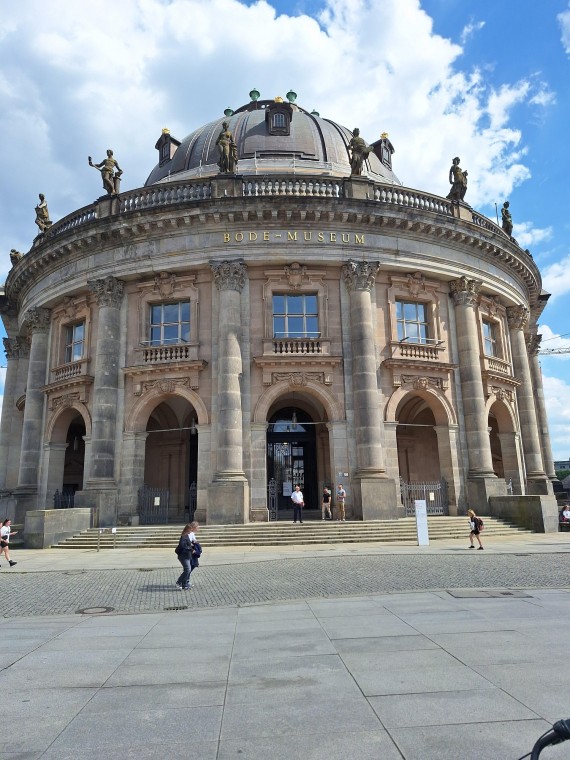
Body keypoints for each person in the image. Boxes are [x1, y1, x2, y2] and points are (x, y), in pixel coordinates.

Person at [174, 521, 198, 589]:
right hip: (183, 556)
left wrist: (191, 544)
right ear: (187, 530)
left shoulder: (187, 536)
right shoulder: (183, 536)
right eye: (190, 530)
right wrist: (191, 547)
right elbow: (182, 545)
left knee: (187, 569)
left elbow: (188, 543)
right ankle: (178, 582)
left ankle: (184, 584)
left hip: (187, 555)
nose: (191, 531)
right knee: (188, 569)